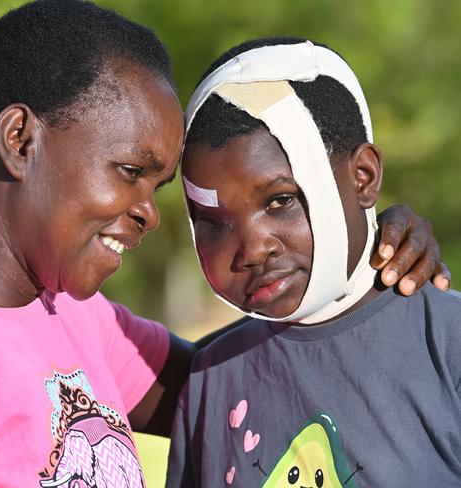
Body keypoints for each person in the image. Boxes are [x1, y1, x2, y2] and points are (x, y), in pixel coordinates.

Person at [0, 2, 449, 486]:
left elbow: (257, 372)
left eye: (160, 185)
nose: (150, 213)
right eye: (129, 171)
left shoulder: (68, 310)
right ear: (19, 140)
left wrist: (364, 255)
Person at [166, 37, 461, 487]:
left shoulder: (446, 341)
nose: (251, 248)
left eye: (281, 200)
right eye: (212, 221)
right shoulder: (209, 380)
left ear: (363, 177)